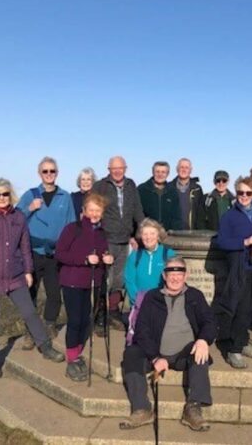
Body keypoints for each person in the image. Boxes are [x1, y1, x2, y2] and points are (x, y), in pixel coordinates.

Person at [0, 178, 65, 378]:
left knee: (30, 312)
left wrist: (28, 271)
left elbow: (24, 247)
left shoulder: (19, 217)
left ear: (10, 195)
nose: (2, 198)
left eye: (5, 193)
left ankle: (45, 347)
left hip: (15, 274)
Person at [120, 257, 216, 432]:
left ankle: (193, 408)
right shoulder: (152, 297)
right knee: (131, 354)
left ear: (185, 275)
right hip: (156, 352)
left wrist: (204, 340)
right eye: (171, 273)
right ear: (164, 275)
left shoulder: (195, 295)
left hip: (184, 353)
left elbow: (209, 322)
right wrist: (156, 357)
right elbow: (142, 330)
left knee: (200, 352)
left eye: (179, 273)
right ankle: (142, 408)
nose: (175, 278)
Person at [16, 157, 76, 347]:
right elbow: (16, 219)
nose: (49, 174)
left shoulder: (65, 197)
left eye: (52, 171)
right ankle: (30, 331)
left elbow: (71, 225)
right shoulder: (30, 195)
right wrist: (29, 208)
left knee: (54, 294)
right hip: (32, 252)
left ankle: (49, 324)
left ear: (57, 173)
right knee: (30, 294)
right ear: (39, 173)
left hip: (55, 253)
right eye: (45, 171)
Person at [55, 192, 114, 381]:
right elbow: (60, 254)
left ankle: (77, 352)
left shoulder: (103, 232)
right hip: (72, 281)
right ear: (84, 210)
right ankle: (72, 360)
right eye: (91, 210)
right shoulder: (73, 229)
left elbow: (102, 253)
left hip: (94, 283)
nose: (95, 214)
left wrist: (107, 259)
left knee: (87, 319)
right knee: (75, 321)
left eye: (98, 210)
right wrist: (84, 260)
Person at [215, 176, 252, 369]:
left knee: (249, 308)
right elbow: (221, 242)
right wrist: (244, 243)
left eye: (249, 193)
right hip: (239, 268)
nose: (244, 196)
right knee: (237, 306)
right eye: (240, 192)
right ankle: (234, 349)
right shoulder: (229, 216)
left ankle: (241, 341)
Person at [92, 156, 145, 332]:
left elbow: (137, 210)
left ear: (125, 168)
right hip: (106, 239)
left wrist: (141, 232)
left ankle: (113, 312)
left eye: (120, 168)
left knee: (119, 279)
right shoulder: (100, 186)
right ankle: (100, 315)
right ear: (108, 169)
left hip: (125, 240)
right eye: (113, 168)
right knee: (105, 278)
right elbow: (93, 209)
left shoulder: (131, 185)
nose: (117, 171)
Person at [124, 219, 177, 308]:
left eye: (152, 233)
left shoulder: (168, 254)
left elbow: (174, 279)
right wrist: (137, 300)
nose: (148, 237)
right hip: (139, 304)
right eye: (145, 234)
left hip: (162, 304)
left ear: (158, 235)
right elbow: (129, 280)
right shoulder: (135, 255)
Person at [137, 161, 182, 231]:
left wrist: (174, 231)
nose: (160, 175)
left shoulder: (172, 192)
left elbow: (176, 216)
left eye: (163, 172)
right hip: (147, 234)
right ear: (153, 172)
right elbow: (136, 213)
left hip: (167, 235)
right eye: (157, 172)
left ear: (167, 174)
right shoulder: (142, 190)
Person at [168, 157, 205, 230]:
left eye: (186, 167)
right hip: (172, 232)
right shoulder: (168, 187)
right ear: (177, 169)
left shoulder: (197, 189)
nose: (184, 170)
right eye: (181, 167)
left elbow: (201, 213)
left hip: (192, 231)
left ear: (190, 170)